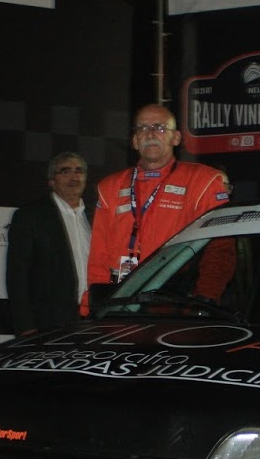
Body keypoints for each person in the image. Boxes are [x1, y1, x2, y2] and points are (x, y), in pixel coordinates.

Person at [85, 104, 230, 308]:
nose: (151, 133)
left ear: (176, 138)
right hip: (119, 299)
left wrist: (206, 299)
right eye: (143, 128)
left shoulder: (203, 180)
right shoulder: (110, 187)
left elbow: (220, 247)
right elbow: (98, 254)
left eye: (160, 127)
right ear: (135, 140)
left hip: (174, 301)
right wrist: (93, 305)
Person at [6, 151, 92, 333]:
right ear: (51, 181)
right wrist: (26, 326)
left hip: (93, 319)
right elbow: (17, 277)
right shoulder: (30, 216)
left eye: (79, 170)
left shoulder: (98, 215)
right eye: (65, 171)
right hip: (49, 322)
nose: (74, 177)